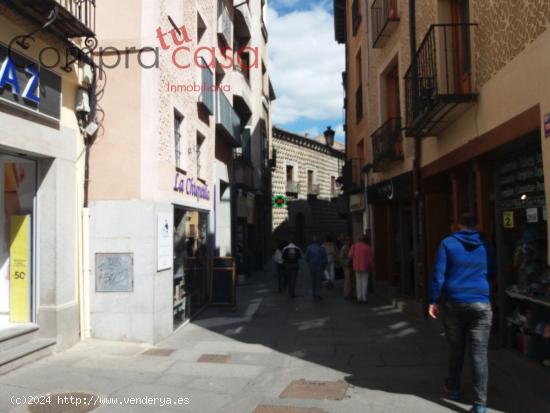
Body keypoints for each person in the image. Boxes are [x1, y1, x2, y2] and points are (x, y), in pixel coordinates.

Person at [429, 212, 495, 413]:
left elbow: (438, 275)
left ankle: (455, 389)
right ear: (477, 224)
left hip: (454, 302)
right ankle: (480, 403)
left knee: (456, 349)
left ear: (458, 224)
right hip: (481, 304)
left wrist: (433, 300)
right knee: (479, 354)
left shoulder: (448, 243)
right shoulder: (486, 246)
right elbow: (492, 271)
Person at [348, 234, 373, 303]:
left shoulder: (354, 246)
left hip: (356, 266)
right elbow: (370, 258)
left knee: (358, 282)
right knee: (365, 282)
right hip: (365, 267)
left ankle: (359, 298)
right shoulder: (367, 247)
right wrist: (371, 265)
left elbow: (350, 255)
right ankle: (364, 298)